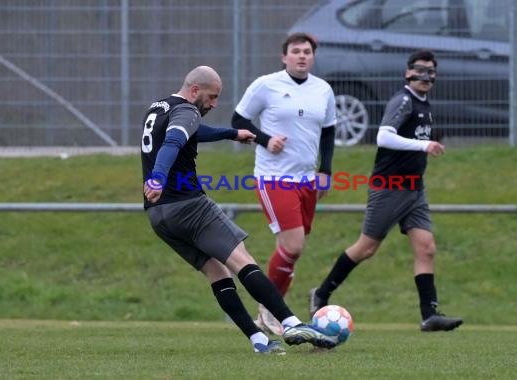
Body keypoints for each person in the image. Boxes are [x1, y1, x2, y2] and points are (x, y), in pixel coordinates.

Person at [141, 65, 338, 354]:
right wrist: (157, 177)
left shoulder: (158, 108)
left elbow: (191, 133)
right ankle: (291, 322)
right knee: (242, 260)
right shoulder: (188, 110)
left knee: (216, 271)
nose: (214, 104)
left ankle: (259, 341)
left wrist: (232, 134)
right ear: (195, 90)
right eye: (211, 97)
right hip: (189, 205)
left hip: (159, 215)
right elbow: (175, 140)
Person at [309, 51, 463, 332]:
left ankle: (429, 315)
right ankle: (321, 293)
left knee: (426, 248)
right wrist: (424, 146)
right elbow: (384, 136)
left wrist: (427, 144)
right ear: (408, 73)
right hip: (390, 187)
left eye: (431, 72)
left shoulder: (425, 105)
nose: (425, 76)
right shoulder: (403, 100)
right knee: (366, 248)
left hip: (415, 189)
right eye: (420, 70)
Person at [232, 33, 337, 336]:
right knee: (293, 245)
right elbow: (237, 120)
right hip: (273, 177)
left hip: (307, 179)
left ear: (313, 57)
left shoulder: (323, 90)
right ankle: (272, 310)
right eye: (296, 51)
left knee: (291, 251)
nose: (302, 56)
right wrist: (265, 140)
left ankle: (266, 313)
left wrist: (325, 170)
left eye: (307, 51)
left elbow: (328, 132)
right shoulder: (267, 85)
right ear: (284, 57)